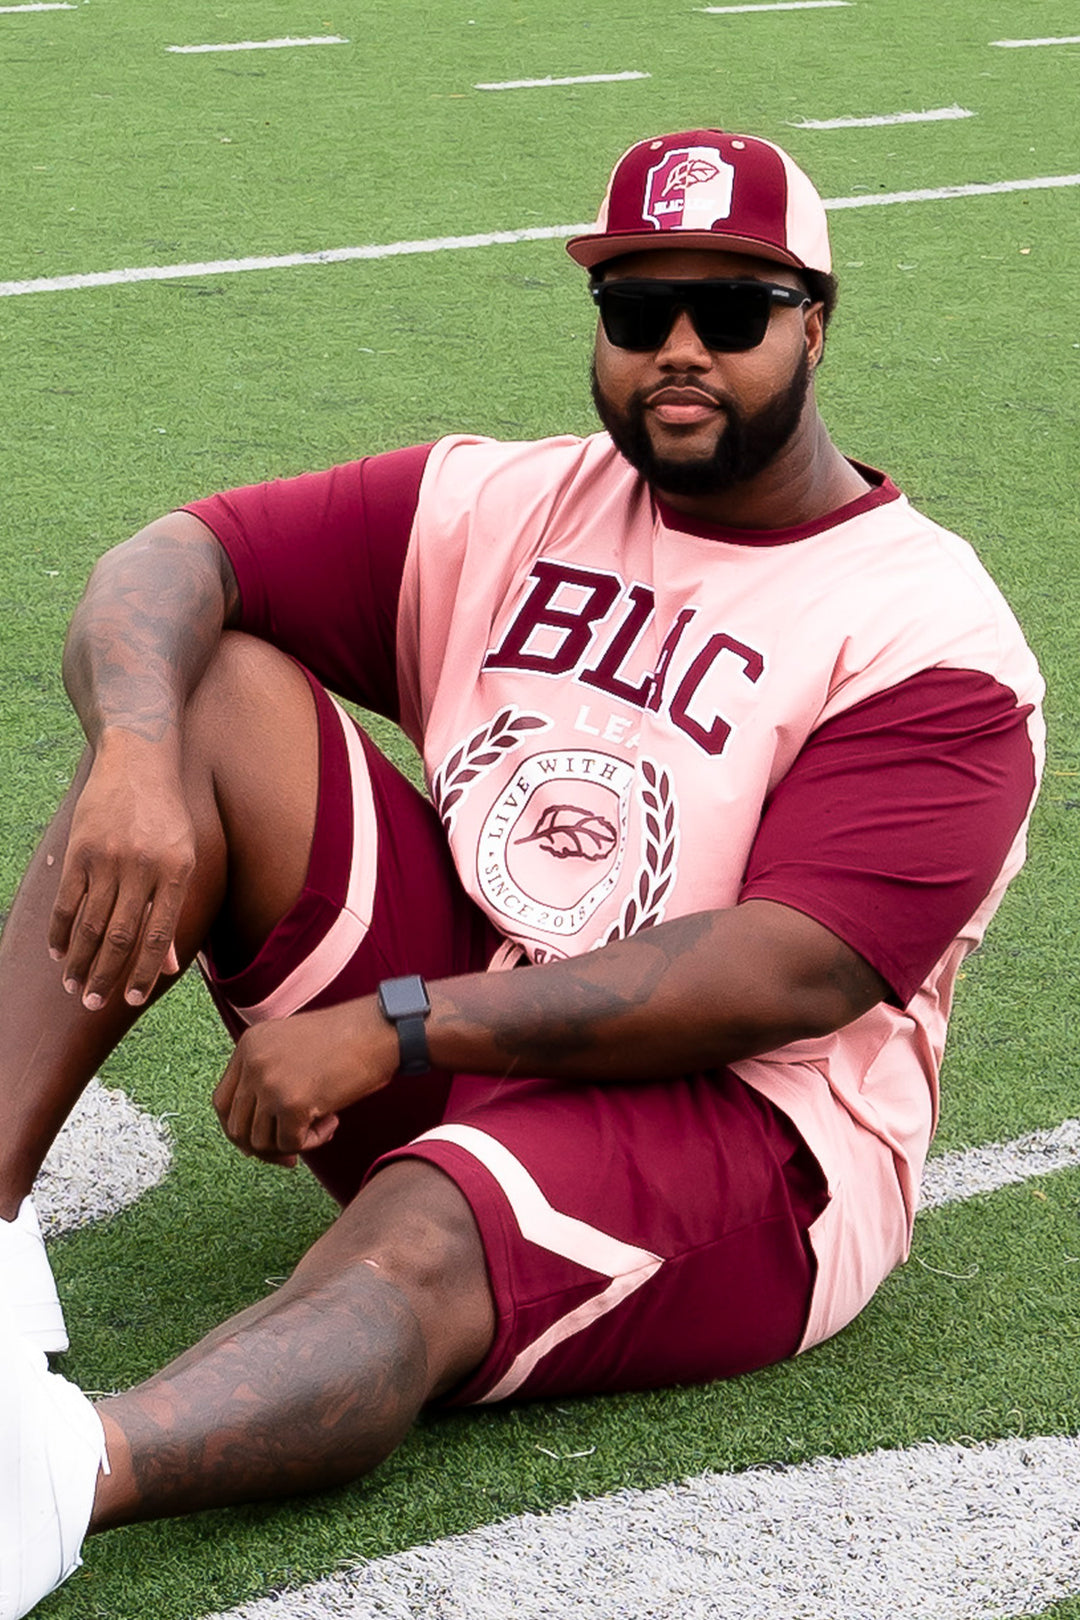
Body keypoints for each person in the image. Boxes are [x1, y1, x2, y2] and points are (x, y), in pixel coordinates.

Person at [0, 128, 1043, 1618]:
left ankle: (50, 1478)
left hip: (746, 1137)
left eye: (730, 313)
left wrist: (398, 1027)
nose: (679, 350)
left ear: (816, 322)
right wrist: (135, 750)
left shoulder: (930, 639)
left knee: (419, 1239)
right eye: (636, 309)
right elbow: (177, 554)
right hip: (467, 1030)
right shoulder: (502, 503)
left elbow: (787, 972)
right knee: (209, 689)